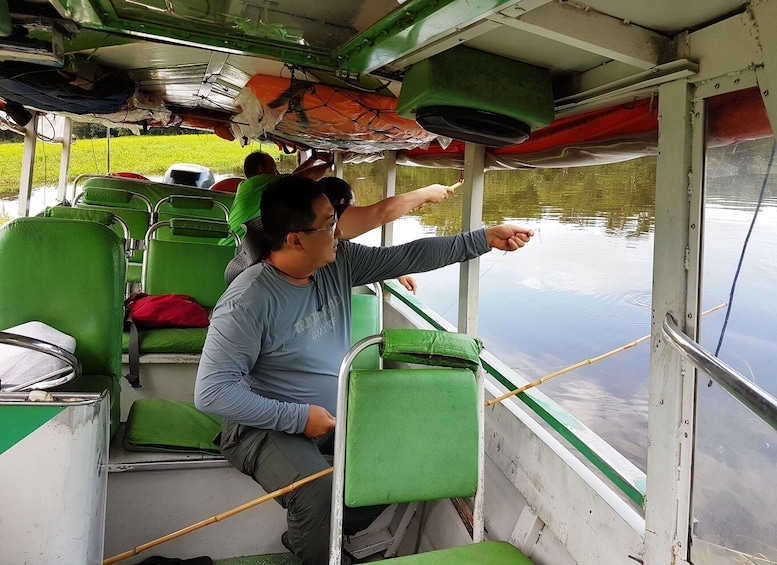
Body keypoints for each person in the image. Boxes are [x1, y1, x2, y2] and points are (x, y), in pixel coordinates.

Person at [195, 176, 533, 565]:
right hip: (260, 426)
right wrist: (299, 417)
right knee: (319, 493)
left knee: (411, 452)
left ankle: (315, 535)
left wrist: (485, 238)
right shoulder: (248, 299)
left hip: (332, 414)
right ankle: (319, 543)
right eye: (327, 223)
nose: (337, 230)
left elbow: (409, 255)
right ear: (295, 239)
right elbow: (212, 392)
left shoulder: (339, 263)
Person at [318, 176, 435, 294]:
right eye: (353, 205)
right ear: (341, 203)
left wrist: (397, 272)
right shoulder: (327, 230)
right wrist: (426, 194)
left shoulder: (330, 246)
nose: (338, 232)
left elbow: (368, 259)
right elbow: (381, 213)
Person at [224, 151, 334, 245]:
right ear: (261, 169)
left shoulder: (249, 185)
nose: (277, 173)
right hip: (235, 248)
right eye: (274, 169)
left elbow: (292, 177)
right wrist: (330, 165)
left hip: (232, 245)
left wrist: (314, 158)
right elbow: (299, 179)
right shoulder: (258, 183)